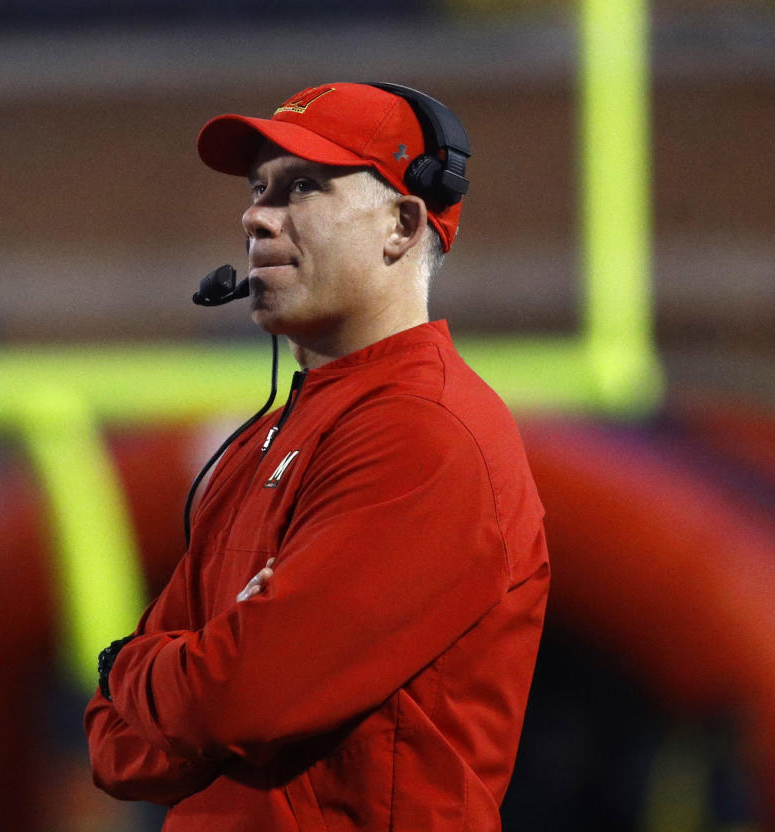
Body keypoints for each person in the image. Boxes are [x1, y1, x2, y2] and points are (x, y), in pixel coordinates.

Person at [84, 82, 550, 831]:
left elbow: (239, 697)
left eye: (303, 186)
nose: (255, 216)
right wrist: (191, 674)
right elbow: (117, 749)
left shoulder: (425, 433)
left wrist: (130, 666)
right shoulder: (264, 438)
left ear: (402, 224)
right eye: (258, 189)